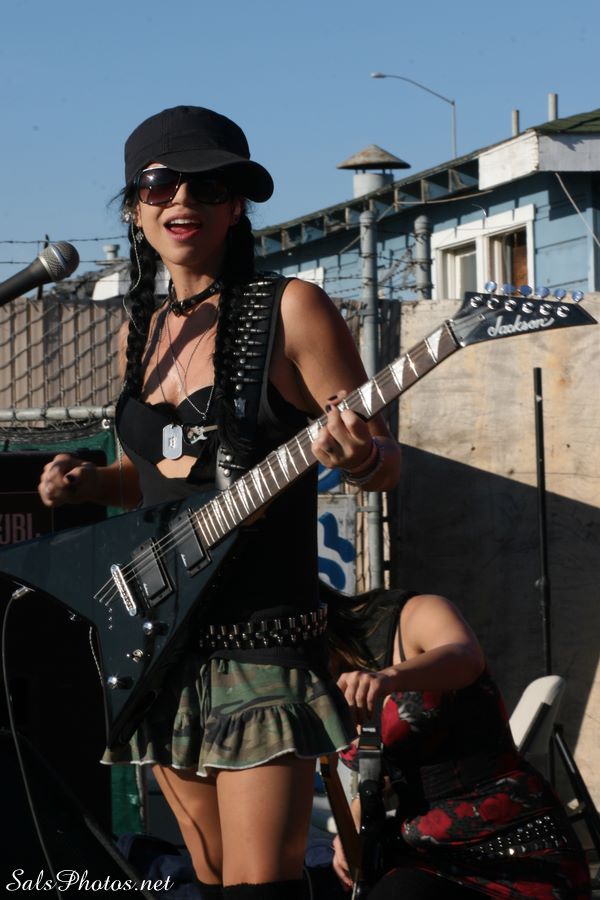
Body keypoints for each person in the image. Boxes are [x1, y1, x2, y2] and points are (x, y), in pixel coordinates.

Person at [36, 105, 402, 900]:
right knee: (207, 878)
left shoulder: (292, 308)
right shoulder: (141, 331)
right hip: (162, 642)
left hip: (262, 640)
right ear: (134, 208)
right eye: (160, 184)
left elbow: (383, 462)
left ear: (237, 206)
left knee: (259, 884)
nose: (183, 200)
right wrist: (90, 483)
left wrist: (361, 455)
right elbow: (156, 478)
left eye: (208, 186)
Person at [326, 586, 591, 899]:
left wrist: (389, 678)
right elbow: (379, 775)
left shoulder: (411, 615)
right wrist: (352, 831)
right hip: (426, 854)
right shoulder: (318, 685)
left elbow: (466, 656)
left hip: (516, 844)